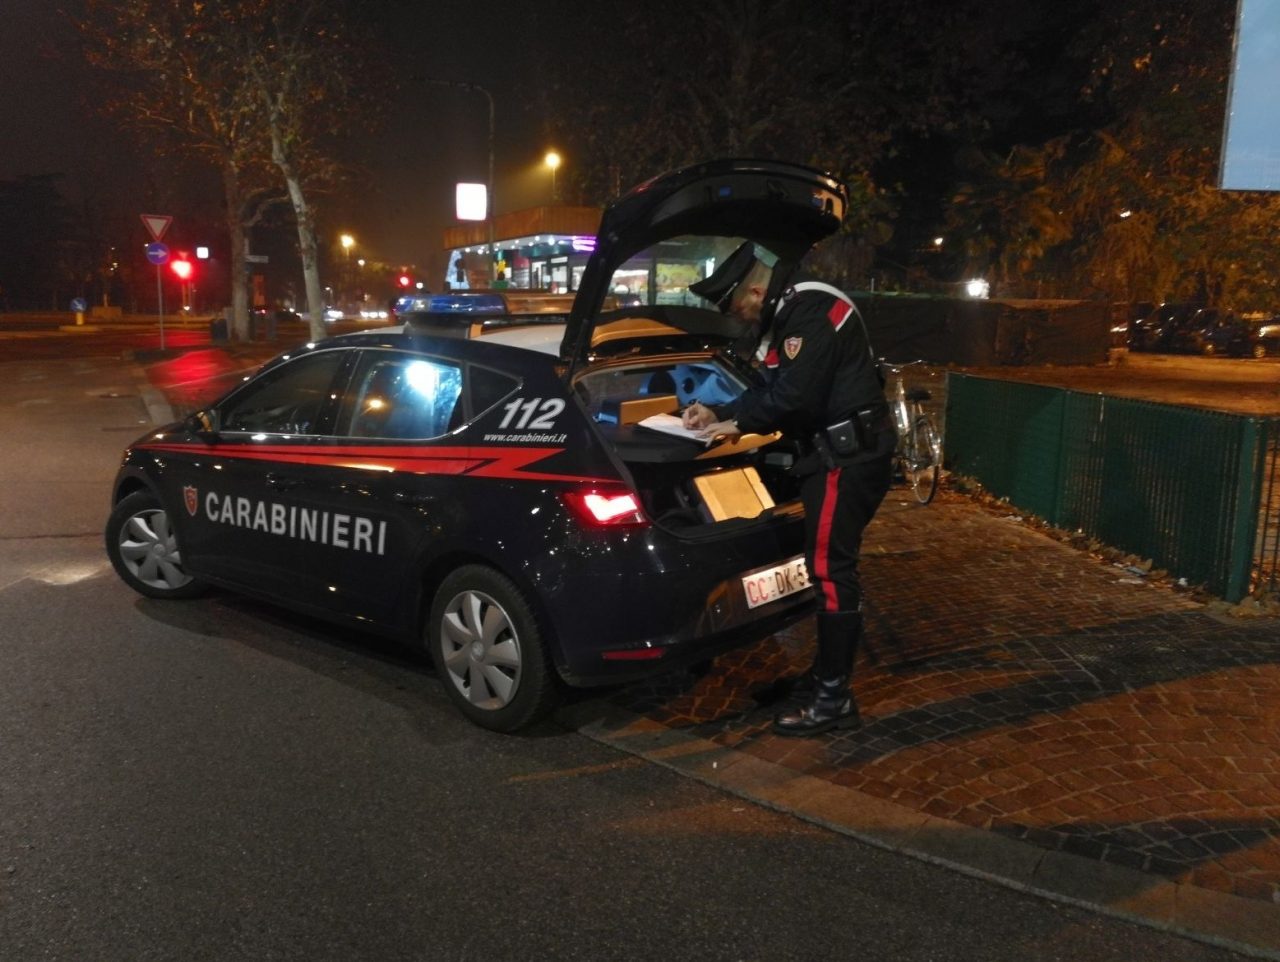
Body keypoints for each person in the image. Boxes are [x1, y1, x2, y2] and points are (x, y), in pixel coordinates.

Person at [682, 242, 895, 736]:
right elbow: (770, 387)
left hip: (845, 459)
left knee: (831, 571)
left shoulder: (809, 311)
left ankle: (833, 698)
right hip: (835, 454)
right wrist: (718, 412)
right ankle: (824, 678)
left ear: (756, 292)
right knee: (829, 569)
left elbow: (795, 396)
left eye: (736, 307)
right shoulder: (791, 312)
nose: (737, 317)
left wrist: (737, 424)